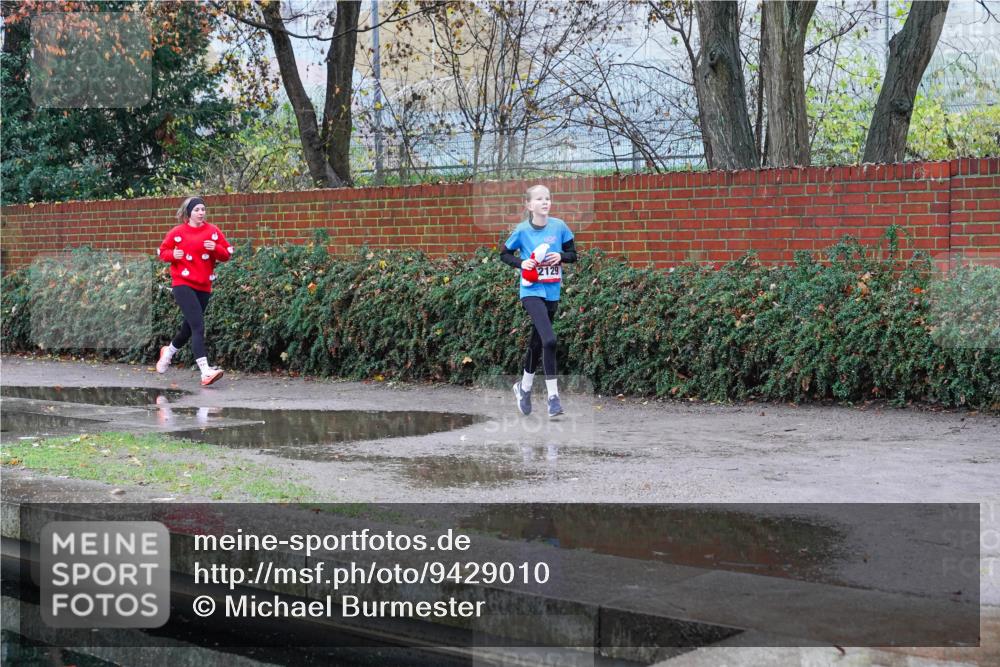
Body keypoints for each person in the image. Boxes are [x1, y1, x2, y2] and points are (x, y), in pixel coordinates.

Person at [500, 184, 578, 417]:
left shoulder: (560, 227)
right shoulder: (522, 231)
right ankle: (553, 398)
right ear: (529, 205)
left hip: (552, 291)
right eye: (540, 199)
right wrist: (521, 263)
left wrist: (561, 257)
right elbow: (503, 254)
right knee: (550, 340)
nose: (545, 202)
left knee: (537, 342)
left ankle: (523, 388)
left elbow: (574, 255)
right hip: (531, 291)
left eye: (548, 198)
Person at [155, 196, 233, 386]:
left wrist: (215, 248)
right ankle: (205, 371)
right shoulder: (177, 232)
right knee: (198, 326)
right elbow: (162, 252)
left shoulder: (213, 232)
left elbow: (227, 254)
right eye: (197, 209)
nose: (201, 213)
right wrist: (173, 254)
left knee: (188, 328)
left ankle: (168, 352)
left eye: (203, 209)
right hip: (182, 283)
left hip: (204, 285)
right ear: (189, 212)